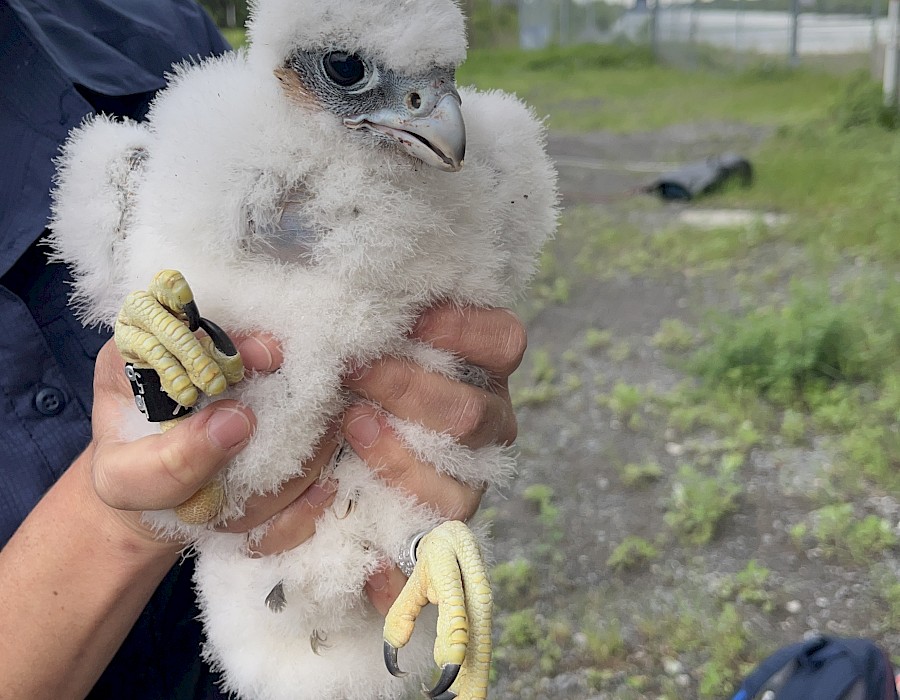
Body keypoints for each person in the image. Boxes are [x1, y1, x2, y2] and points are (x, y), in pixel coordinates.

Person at [0, 1, 526, 697]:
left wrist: (447, 439)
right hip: (244, 617)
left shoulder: (151, 25)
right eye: (348, 73)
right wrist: (130, 506)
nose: (436, 109)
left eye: (438, 80)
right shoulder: (148, 156)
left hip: (377, 589)